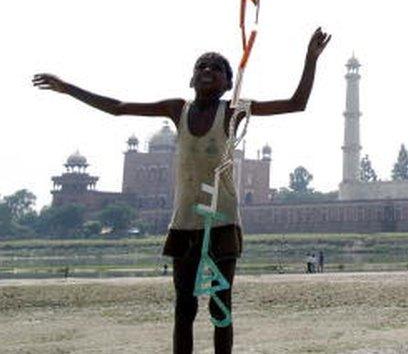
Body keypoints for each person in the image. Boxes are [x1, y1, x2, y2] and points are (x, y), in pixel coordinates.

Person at [34, 27, 331, 354]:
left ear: (228, 84)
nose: (207, 71)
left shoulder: (232, 111)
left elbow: (296, 103)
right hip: (185, 221)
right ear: (191, 79)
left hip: (222, 220)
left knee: (220, 306)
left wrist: (310, 58)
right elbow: (118, 107)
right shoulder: (178, 109)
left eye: (216, 69)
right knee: (183, 307)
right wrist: (68, 89)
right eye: (201, 66)